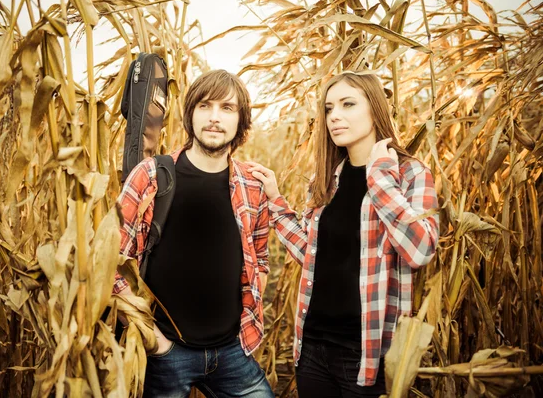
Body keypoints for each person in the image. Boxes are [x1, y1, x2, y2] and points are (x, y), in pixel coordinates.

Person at [249, 72, 439, 397]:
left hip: (367, 355)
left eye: (348, 104)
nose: (334, 115)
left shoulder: (410, 175)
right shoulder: (326, 180)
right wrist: (274, 198)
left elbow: (420, 249)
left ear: (375, 109)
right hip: (312, 349)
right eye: (328, 108)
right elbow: (311, 252)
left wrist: (379, 176)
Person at [114, 70, 274, 397]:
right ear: (190, 115)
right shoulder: (151, 176)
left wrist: (247, 321)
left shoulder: (253, 185)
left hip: (232, 349)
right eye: (205, 106)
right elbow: (112, 263)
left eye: (227, 108)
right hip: (165, 353)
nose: (214, 118)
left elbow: (261, 259)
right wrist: (154, 342)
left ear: (241, 120)